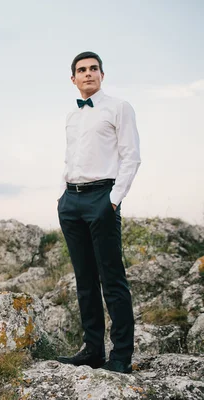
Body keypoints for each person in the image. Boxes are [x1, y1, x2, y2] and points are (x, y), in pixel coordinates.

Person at [56, 52, 141, 374]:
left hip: (102, 198)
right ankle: (92, 350)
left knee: (112, 279)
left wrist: (114, 200)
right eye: (82, 70)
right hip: (72, 201)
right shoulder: (71, 116)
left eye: (94, 69)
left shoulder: (119, 107)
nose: (88, 74)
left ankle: (121, 356)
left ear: (102, 75)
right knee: (85, 280)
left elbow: (131, 156)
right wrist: (63, 197)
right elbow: (72, 159)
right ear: (73, 79)